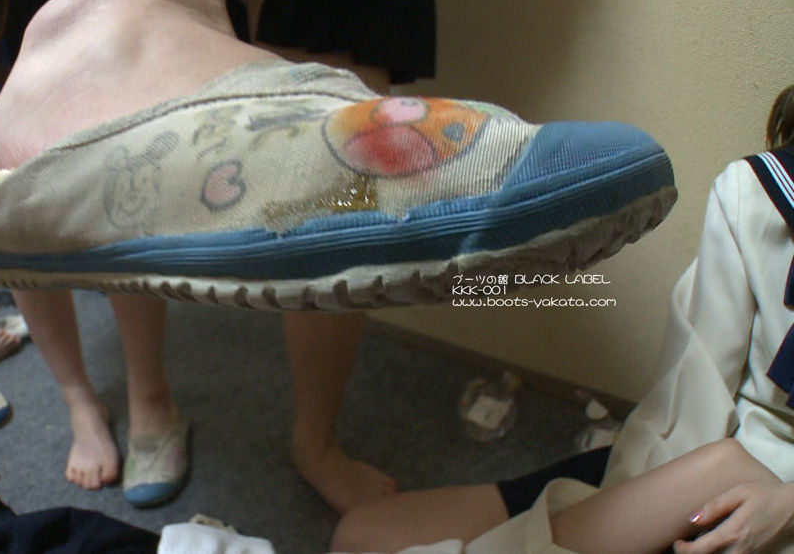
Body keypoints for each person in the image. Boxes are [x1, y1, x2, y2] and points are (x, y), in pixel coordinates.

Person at [0, 0, 418, 511]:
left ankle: (175, 405)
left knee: (336, 184)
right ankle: (80, 400)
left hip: (165, 31)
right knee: (18, 194)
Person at [330, 85, 794, 554]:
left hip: (747, 493)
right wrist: (621, 508)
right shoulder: (756, 194)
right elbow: (692, 404)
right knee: (361, 534)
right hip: (709, 473)